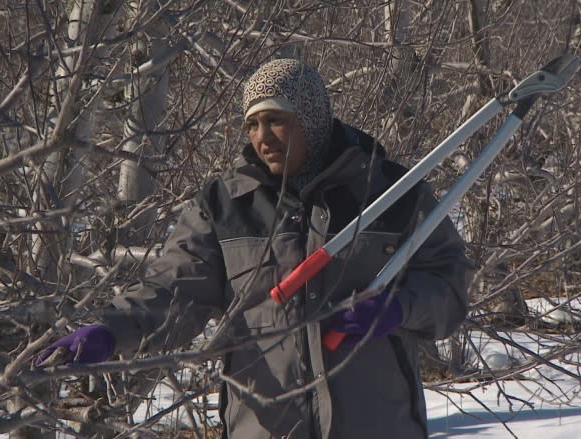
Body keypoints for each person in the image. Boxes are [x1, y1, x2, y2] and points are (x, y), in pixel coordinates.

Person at [36, 58, 473, 438]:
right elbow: (175, 288)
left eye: (277, 119)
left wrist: (399, 309)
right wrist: (114, 331)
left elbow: (450, 284)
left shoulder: (390, 194)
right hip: (266, 427)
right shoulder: (225, 206)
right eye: (252, 123)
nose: (262, 136)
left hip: (377, 426)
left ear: (312, 118)